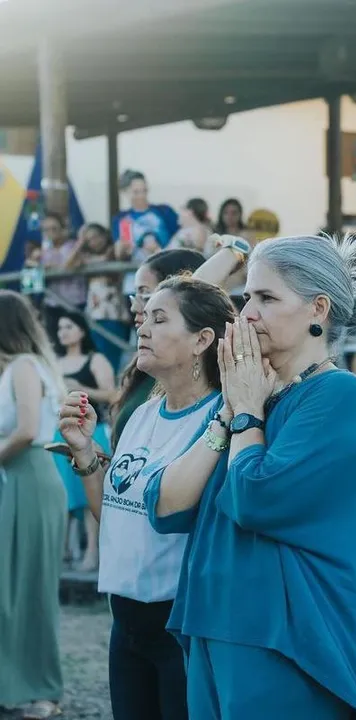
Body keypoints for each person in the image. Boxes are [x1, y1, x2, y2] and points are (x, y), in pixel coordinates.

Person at [144, 234, 356, 719]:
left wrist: (247, 415)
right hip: (213, 619)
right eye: (247, 296)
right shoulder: (246, 393)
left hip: (286, 634)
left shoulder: (339, 396)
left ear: (318, 309)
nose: (246, 312)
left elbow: (255, 497)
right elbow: (165, 505)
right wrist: (228, 416)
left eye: (267, 298)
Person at [58, 278, 237, 720]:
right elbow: (116, 516)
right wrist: (84, 453)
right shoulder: (141, 414)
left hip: (180, 620)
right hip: (126, 616)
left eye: (160, 319)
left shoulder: (223, 418)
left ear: (202, 340)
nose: (143, 328)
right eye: (144, 317)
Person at [111, 240, 251, 449]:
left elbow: (187, 294)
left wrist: (234, 251)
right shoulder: (147, 380)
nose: (134, 305)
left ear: (202, 339)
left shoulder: (219, 410)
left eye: (144, 293)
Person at [0, 291, 67, 720]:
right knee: (7, 588)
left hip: (31, 478)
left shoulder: (25, 367)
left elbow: (26, 430)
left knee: (30, 587)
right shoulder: (10, 370)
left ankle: (43, 687)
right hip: (12, 480)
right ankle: (12, 682)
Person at [54, 311, 115, 572]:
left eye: (68, 326)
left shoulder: (96, 358)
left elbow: (112, 394)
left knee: (89, 490)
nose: (63, 332)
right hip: (61, 431)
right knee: (65, 492)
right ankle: (68, 549)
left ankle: (92, 550)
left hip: (93, 430)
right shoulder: (54, 361)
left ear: (81, 330)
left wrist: (79, 386)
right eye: (59, 328)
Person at [65, 223, 131, 373]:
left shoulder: (113, 250)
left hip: (114, 309)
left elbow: (123, 252)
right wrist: (80, 243)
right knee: (99, 352)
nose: (94, 241)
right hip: (94, 310)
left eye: (96, 236)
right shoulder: (85, 257)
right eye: (89, 239)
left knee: (115, 352)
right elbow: (67, 266)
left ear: (104, 234)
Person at [112, 170, 179, 262]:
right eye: (136, 192)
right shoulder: (121, 219)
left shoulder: (164, 211)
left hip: (165, 264)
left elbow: (178, 237)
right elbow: (122, 253)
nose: (142, 196)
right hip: (135, 269)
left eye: (144, 191)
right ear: (124, 192)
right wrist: (122, 249)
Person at [40, 212, 87, 340]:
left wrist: (80, 242)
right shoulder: (44, 252)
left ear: (62, 229)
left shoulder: (73, 246)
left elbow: (67, 265)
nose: (50, 232)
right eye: (46, 229)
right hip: (52, 304)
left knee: (77, 341)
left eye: (54, 228)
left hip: (74, 303)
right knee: (55, 343)